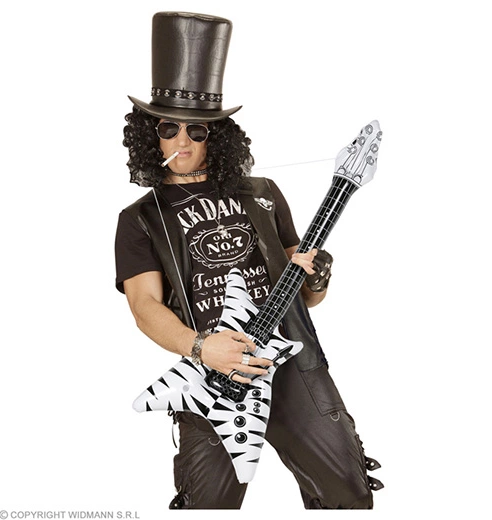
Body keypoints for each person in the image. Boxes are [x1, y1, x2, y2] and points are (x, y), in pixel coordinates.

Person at [115, 11, 382, 509]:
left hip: (296, 364)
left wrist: (320, 276)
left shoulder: (261, 192)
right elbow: (144, 308)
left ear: (216, 136)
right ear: (151, 134)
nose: (182, 142)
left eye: (198, 131)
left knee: (347, 496)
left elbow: (306, 292)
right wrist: (202, 348)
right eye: (170, 128)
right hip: (215, 378)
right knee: (207, 506)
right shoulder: (140, 219)